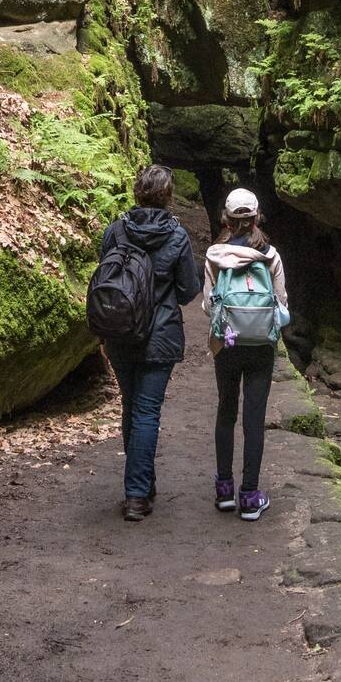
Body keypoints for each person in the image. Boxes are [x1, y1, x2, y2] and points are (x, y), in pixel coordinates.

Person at [98, 164, 202, 522]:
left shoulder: (117, 230)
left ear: (137, 192)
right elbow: (189, 290)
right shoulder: (177, 236)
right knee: (146, 411)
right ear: (168, 196)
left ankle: (141, 484)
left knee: (132, 406)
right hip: (159, 335)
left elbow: (106, 276)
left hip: (122, 332)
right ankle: (138, 495)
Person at [202, 187, 290, 523]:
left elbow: (209, 304)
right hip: (261, 346)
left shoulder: (214, 254)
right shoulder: (271, 255)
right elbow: (281, 303)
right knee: (254, 417)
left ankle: (224, 490)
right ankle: (250, 496)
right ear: (256, 218)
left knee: (226, 410)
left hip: (227, 342)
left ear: (225, 218)